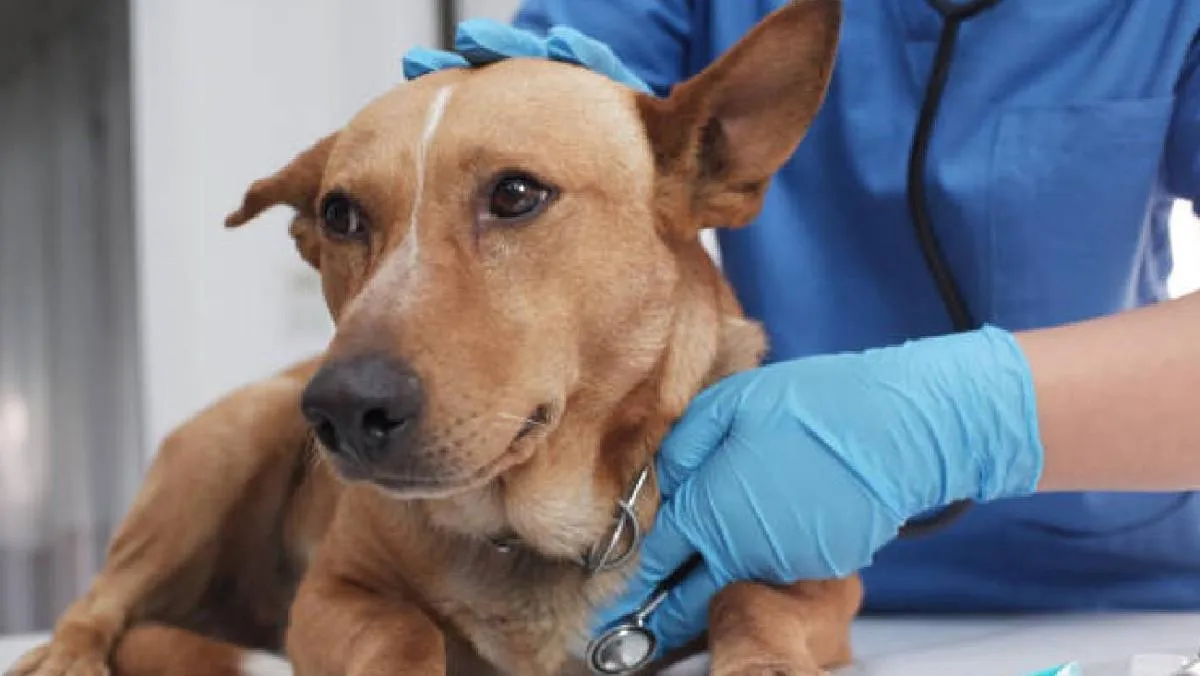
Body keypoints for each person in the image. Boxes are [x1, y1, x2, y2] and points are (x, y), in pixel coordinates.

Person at [403, 0, 1200, 655]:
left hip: (1120, 596)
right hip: (751, 572)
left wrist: (958, 421)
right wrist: (514, 143)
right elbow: (548, 129)